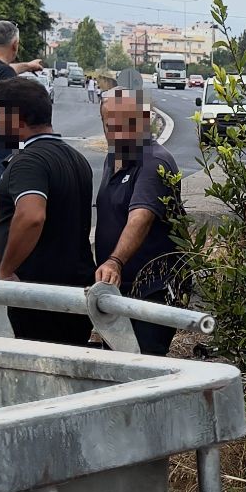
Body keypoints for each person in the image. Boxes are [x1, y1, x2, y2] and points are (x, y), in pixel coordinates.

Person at [0, 76, 95, 344]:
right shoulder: (76, 158)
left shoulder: (29, 162)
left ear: (17, 118)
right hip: (74, 291)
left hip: (36, 295)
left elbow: (32, 216)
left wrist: (5, 271)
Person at [94, 87, 185, 353]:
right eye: (110, 123)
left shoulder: (153, 161)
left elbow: (140, 217)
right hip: (118, 290)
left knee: (142, 367)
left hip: (149, 290)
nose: (117, 130)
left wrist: (114, 261)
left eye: (127, 122)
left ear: (145, 120)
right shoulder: (114, 159)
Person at [0, 20, 46, 271]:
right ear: (15, 45)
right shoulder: (2, 74)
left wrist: (27, 66)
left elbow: (5, 69)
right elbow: (5, 74)